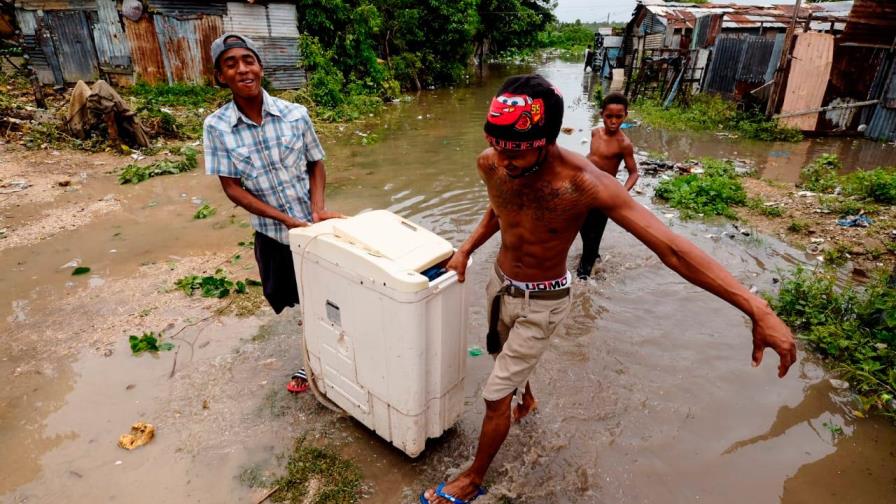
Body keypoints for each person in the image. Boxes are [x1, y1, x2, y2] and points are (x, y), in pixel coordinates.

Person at [420, 74, 797, 504]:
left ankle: (472, 479)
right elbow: (500, 208)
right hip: (500, 286)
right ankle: (527, 399)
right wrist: (465, 250)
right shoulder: (492, 162)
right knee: (502, 359)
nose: (504, 160)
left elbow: (672, 249)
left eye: (518, 149)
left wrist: (755, 306)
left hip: (544, 301)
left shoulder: (586, 183)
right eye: (498, 146)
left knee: (493, 396)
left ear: (546, 139)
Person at [202, 34, 341, 390]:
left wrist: (318, 209)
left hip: (313, 228)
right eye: (230, 64)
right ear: (220, 76)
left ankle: (320, 360)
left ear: (260, 67)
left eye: (248, 60)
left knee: (330, 296)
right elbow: (232, 188)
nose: (242, 69)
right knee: (293, 298)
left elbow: (316, 163)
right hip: (274, 234)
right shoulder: (216, 127)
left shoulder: (297, 115)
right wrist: (284, 220)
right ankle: (313, 358)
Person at [577, 92, 639, 279]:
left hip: (604, 195)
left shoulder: (624, 144)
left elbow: (634, 173)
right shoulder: (595, 132)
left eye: (618, 117)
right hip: (584, 189)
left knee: (594, 235)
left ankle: (583, 280)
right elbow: (592, 158)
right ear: (601, 114)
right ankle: (593, 258)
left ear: (625, 116)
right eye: (609, 116)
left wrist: (621, 192)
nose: (613, 121)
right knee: (582, 228)